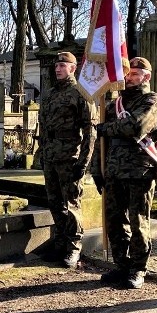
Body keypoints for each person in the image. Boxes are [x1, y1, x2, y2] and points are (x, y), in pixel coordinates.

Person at [91, 57, 157, 289]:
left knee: (137, 222)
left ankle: (138, 269)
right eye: (127, 73)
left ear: (146, 76)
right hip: (113, 170)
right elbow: (101, 140)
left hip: (139, 171)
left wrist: (107, 128)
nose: (129, 77)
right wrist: (97, 167)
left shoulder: (152, 100)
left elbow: (136, 127)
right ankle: (121, 265)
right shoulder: (114, 104)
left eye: (135, 73)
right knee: (114, 222)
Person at [38, 51, 96, 268]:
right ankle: (60, 242)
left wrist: (84, 161)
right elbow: (43, 127)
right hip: (51, 156)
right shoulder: (51, 93)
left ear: (73, 68)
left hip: (69, 157)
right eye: (56, 66)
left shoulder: (81, 93)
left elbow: (90, 130)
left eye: (63, 65)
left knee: (72, 204)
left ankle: (73, 248)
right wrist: (41, 152)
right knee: (55, 203)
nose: (58, 68)